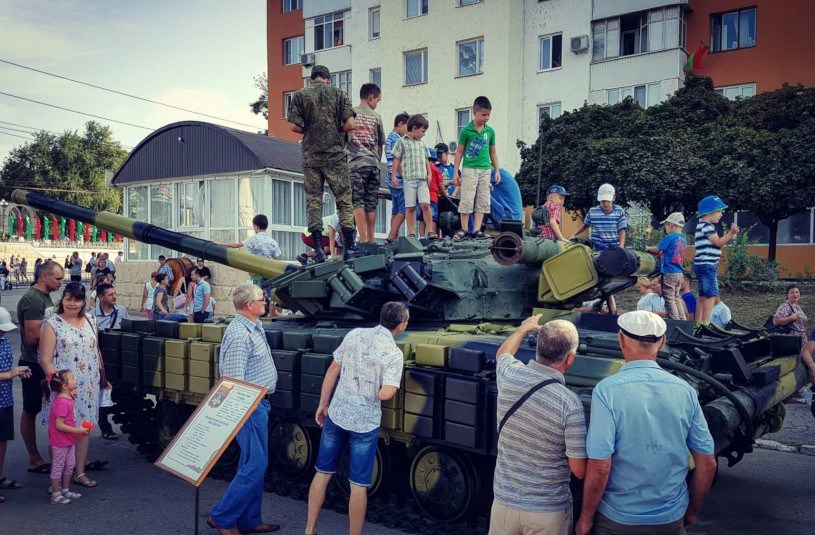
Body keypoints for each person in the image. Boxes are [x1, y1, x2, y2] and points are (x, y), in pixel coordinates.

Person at [576, 311, 717, 535]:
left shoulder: (606, 391)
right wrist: (692, 512)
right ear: (663, 342)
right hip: (670, 518)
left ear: (621, 340)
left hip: (617, 519)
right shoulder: (686, 391)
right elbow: (707, 463)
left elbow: (601, 465)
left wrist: (585, 516)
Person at [306, 302, 408, 535]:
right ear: (401, 326)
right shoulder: (394, 354)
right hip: (364, 424)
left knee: (322, 473)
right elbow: (386, 393)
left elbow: (333, 370)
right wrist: (382, 387)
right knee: (358, 486)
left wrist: (323, 405)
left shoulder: (355, 334)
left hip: (337, 414)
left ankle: (310, 529)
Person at [490, 316, 586, 535]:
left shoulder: (509, 376)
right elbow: (579, 470)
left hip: (504, 504)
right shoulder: (569, 403)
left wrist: (523, 329)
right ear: (569, 359)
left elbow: (502, 354)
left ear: (538, 348)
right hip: (547, 513)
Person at [208, 283, 279, 535]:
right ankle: (223, 518)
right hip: (248, 406)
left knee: (251, 463)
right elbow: (233, 380)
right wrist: (243, 412)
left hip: (259, 404)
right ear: (250, 305)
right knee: (256, 464)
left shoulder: (253, 326)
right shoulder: (240, 334)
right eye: (262, 298)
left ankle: (249, 519)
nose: (265, 301)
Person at [39, 282, 107, 489]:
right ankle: (57, 479)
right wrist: (60, 386)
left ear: (83, 301)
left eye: (77, 300)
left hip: (87, 385)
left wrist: (103, 376)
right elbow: (45, 360)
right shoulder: (52, 324)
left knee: (83, 428)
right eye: (68, 299)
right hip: (63, 389)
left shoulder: (90, 320)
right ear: (63, 300)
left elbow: (96, 351)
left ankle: (79, 472)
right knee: (60, 431)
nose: (72, 304)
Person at [287, 64, 357, 262]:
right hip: (335, 155)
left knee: (314, 201)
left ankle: (318, 249)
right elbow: (351, 124)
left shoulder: (300, 95)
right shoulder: (339, 94)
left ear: (312, 79)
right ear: (328, 79)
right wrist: (336, 131)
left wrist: (310, 132)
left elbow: (294, 126)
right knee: (344, 199)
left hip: (311, 156)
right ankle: (350, 247)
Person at [18, 259, 64, 475]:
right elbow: (33, 336)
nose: (60, 283)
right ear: (44, 276)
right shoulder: (33, 299)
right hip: (33, 363)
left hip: (43, 362)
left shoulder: (44, 297)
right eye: (58, 279)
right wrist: (62, 337)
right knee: (31, 409)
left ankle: (53, 456)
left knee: (49, 409)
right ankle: (34, 458)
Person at [453, 96, 500, 241]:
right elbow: (459, 151)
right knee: (467, 198)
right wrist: (456, 172)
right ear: (474, 113)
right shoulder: (466, 131)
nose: (486, 118)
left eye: (488, 115)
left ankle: (477, 229)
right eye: (483, 115)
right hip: (469, 169)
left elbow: (493, 151)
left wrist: (496, 170)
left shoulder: (490, 132)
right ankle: (464, 228)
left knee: (483, 199)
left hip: (485, 169)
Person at [347, 83, 385, 244]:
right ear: (371, 98)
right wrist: (376, 159)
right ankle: (371, 238)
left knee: (358, 201)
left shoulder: (350, 114)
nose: (377, 103)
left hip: (355, 163)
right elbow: (380, 144)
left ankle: (362, 239)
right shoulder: (376, 117)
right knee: (371, 202)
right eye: (378, 100)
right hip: (373, 164)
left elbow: (343, 139)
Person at [44, 370, 89, 504]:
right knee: (58, 467)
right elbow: (59, 425)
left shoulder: (67, 398)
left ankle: (65, 489)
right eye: (72, 378)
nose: (76, 379)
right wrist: (77, 430)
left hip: (68, 440)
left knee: (69, 465)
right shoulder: (62, 403)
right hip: (59, 441)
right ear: (64, 386)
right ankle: (56, 494)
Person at [693, 195, 739, 327]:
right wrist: (731, 233)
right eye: (718, 211)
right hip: (707, 265)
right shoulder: (707, 227)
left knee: (703, 296)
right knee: (711, 295)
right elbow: (718, 243)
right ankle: (706, 323)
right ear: (708, 212)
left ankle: (698, 323)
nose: (721, 214)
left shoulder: (701, 226)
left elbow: (711, 246)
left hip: (702, 264)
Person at [219, 214, 282, 309]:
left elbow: (237, 245)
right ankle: (272, 316)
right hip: (270, 274)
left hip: (258, 273)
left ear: (256, 226)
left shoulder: (253, 239)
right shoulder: (273, 242)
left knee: (257, 296)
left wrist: (220, 243)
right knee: (270, 296)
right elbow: (277, 260)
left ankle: (259, 315)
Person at [392, 114, 436, 239]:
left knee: (425, 204)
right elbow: (396, 159)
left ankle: (430, 231)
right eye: (422, 131)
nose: (424, 134)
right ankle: (411, 232)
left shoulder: (422, 144)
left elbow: (426, 159)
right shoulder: (401, 142)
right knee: (410, 206)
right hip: (409, 179)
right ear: (415, 128)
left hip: (422, 179)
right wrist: (394, 175)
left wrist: (429, 173)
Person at [0, 307, 29, 502]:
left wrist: (17, 371)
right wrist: (9, 374)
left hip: (5, 400)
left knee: (2, 440)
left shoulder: (3, 342)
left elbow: (7, 368)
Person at [646, 212, 687, 320]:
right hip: (679, 272)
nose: (665, 229)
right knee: (676, 296)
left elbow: (657, 249)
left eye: (666, 226)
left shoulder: (670, 237)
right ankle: (682, 320)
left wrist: (647, 248)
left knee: (669, 297)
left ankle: (674, 320)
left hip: (669, 271)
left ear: (671, 225)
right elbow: (672, 252)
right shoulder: (682, 239)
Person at [570, 184, 627, 250]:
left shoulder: (619, 211)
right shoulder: (593, 211)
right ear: (599, 200)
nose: (605, 203)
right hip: (597, 246)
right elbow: (585, 225)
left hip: (614, 247)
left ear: (613, 198)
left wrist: (621, 246)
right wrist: (574, 235)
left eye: (608, 201)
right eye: (603, 201)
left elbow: (622, 230)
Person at [385, 112, 410, 243]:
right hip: (399, 179)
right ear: (400, 124)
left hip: (391, 177)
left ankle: (391, 235)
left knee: (395, 209)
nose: (407, 132)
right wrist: (404, 175)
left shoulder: (389, 138)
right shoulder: (396, 139)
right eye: (407, 127)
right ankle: (391, 235)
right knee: (404, 209)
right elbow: (398, 160)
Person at [417, 149, 446, 238]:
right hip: (432, 196)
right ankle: (432, 235)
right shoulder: (436, 170)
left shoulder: (421, 169)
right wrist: (445, 195)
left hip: (419, 197)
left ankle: (421, 237)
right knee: (433, 218)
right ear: (433, 160)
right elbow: (440, 185)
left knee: (421, 219)